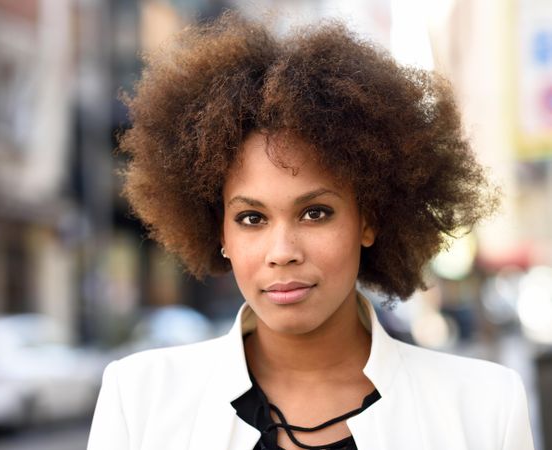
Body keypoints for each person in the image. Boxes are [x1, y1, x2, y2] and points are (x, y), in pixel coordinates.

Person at [87, 12, 534, 450]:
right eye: (252, 218)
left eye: (315, 213)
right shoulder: (139, 401)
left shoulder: (483, 409)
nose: (282, 252)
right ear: (219, 231)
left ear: (369, 219)